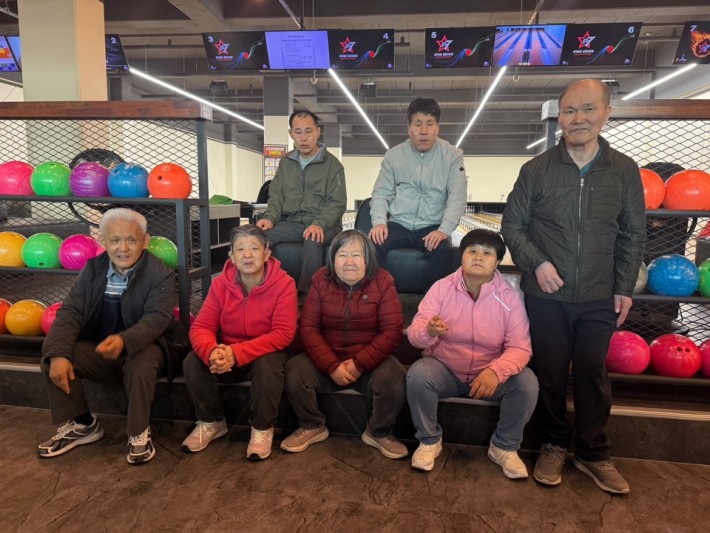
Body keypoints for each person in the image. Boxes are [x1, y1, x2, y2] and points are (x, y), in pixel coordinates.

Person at [501, 79, 646, 494]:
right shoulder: (536, 170)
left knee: (591, 373)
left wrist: (623, 286)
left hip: (600, 292)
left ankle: (593, 452)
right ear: (559, 117)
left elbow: (632, 234)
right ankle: (552, 443)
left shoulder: (624, 171)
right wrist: (538, 263)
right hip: (547, 295)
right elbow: (513, 225)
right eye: (569, 111)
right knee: (548, 372)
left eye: (588, 109)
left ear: (606, 114)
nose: (578, 118)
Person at [38, 208, 176, 465]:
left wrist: (124, 340)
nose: (123, 248)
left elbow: (156, 318)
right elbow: (70, 312)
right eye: (115, 240)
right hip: (101, 350)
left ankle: (138, 431)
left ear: (145, 241)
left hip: (144, 348)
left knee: (140, 362)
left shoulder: (160, 273)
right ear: (103, 241)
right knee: (55, 354)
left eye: (131, 240)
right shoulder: (92, 269)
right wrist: (58, 354)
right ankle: (83, 424)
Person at [406, 229, 538, 474]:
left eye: (487, 253)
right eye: (472, 251)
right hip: (447, 372)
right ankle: (429, 440)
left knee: (526, 382)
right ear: (462, 256)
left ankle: (504, 447)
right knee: (419, 374)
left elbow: (520, 347)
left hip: (488, 378)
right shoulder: (441, 289)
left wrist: (495, 372)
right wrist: (429, 331)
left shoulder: (509, 298)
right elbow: (414, 335)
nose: (478, 257)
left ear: (497, 262)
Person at [281, 230, 407, 459]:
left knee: (395, 376)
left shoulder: (383, 281)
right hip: (327, 358)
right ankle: (311, 425)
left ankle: (379, 432)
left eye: (356, 255)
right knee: (295, 369)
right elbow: (308, 327)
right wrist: (331, 365)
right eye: (342, 255)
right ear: (333, 259)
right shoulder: (321, 280)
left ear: (368, 259)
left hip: (368, 361)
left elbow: (392, 331)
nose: (349, 261)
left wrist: (359, 364)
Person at [183, 225, 297, 460]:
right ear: (232, 256)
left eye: (254, 248)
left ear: (266, 254)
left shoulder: (284, 284)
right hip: (227, 352)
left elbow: (283, 333)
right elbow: (202, 327)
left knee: (268, 366)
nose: (247, 255)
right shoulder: (219, 284)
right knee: (193, 361)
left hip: (265, 351)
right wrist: (212, 351)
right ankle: (211, 421)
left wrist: (236, 353)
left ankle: (262, 428)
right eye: (240, 249)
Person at [369, 97, 467, 291]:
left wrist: (444, 230)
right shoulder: (393, 155)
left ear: (437, 128)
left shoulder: (453, 156)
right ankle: (377, 298)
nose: (423, 131)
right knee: (373, 244)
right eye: (418, 124)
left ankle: (432, 305)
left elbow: (457, 198)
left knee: (441, 251)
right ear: (409, 128)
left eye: (429, 124)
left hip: (432, 225)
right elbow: (381, 193)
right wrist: (379, 222)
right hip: (399, 223)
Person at [256, 110, 347, 296]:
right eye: (298, 132)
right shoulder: (286, 163)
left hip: (326, 226)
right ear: (291, 134)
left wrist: (319, 224)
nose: (304, 138)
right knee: (257, 238)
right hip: (293, 223)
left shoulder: (333, 165)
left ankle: (307, 297)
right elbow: (276, 195)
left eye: (308, 131)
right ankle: (260, 291)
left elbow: (337, 203)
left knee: (312, 238)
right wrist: (270, 218)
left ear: (318, 132)